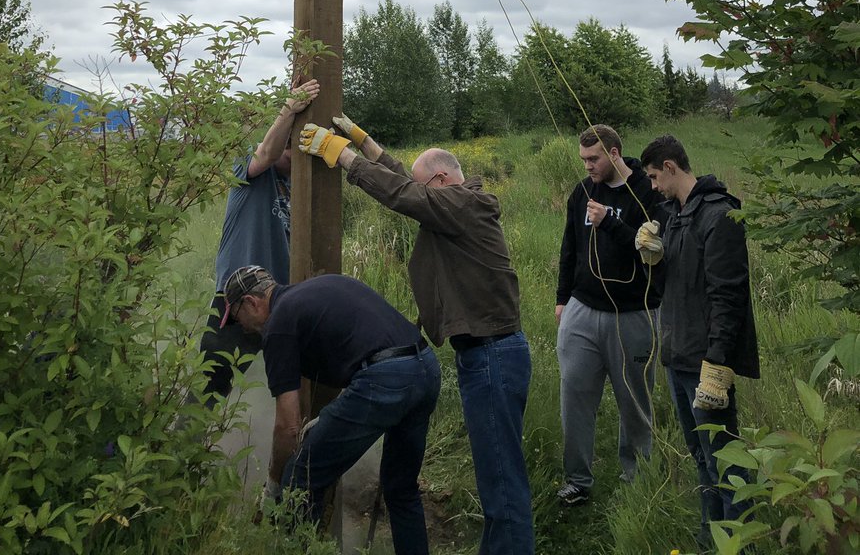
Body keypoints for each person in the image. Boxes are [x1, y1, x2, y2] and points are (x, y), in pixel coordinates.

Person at [298, 115, 535, 555]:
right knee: (497, 480)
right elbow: (407, 182)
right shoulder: (455, 203)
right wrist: (366, 143)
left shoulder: (464, 206)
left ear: (443, 180)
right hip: (484, 357)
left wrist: (342, 155)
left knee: (502, 483)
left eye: (428, 185)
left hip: (493, 359)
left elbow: (404, 195)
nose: (422, 189)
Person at [221, 265, 441, 555]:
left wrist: (273, 484)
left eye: (238, 319)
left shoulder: (278, 326)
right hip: (425, 368)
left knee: (301, 477)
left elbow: (287, 426)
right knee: (400, 488)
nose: (244, 328)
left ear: (251, 302)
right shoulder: (313, 291)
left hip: (385, 378)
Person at [638, 135, 759, 552]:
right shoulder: (673, 215)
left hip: (706, 362)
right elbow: (665, 290)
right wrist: (653, 258)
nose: (652, 186)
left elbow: (729, 296)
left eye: (654, 177)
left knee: (727, 458)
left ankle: (743, 542)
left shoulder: (718, 214)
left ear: (671, 167)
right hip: (677, 354)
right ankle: (712, 539)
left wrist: (718, 364)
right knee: (701, 456)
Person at [554, 123, 663, 506]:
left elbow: (654, 250)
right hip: (582, 309)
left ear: (614, 154)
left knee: (634, 400)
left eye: (594, 158)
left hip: (634, 313)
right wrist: (562, 297)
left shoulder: (648, 191)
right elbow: (570, 245)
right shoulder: (582, 192)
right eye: (583, 159)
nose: (588, 166)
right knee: (575, 396)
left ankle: (636, 479)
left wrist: (611, 222)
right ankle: (577, 481)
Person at [198, 77, 320, 399]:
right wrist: (289, 109)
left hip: (278, 302)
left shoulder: (299, 188)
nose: (296, 158)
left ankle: (290, 442)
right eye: (293, 149)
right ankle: (189, 443)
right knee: (210, 387)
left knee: (290, 386)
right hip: (238, 299)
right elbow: (268, 152)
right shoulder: (248, 170)